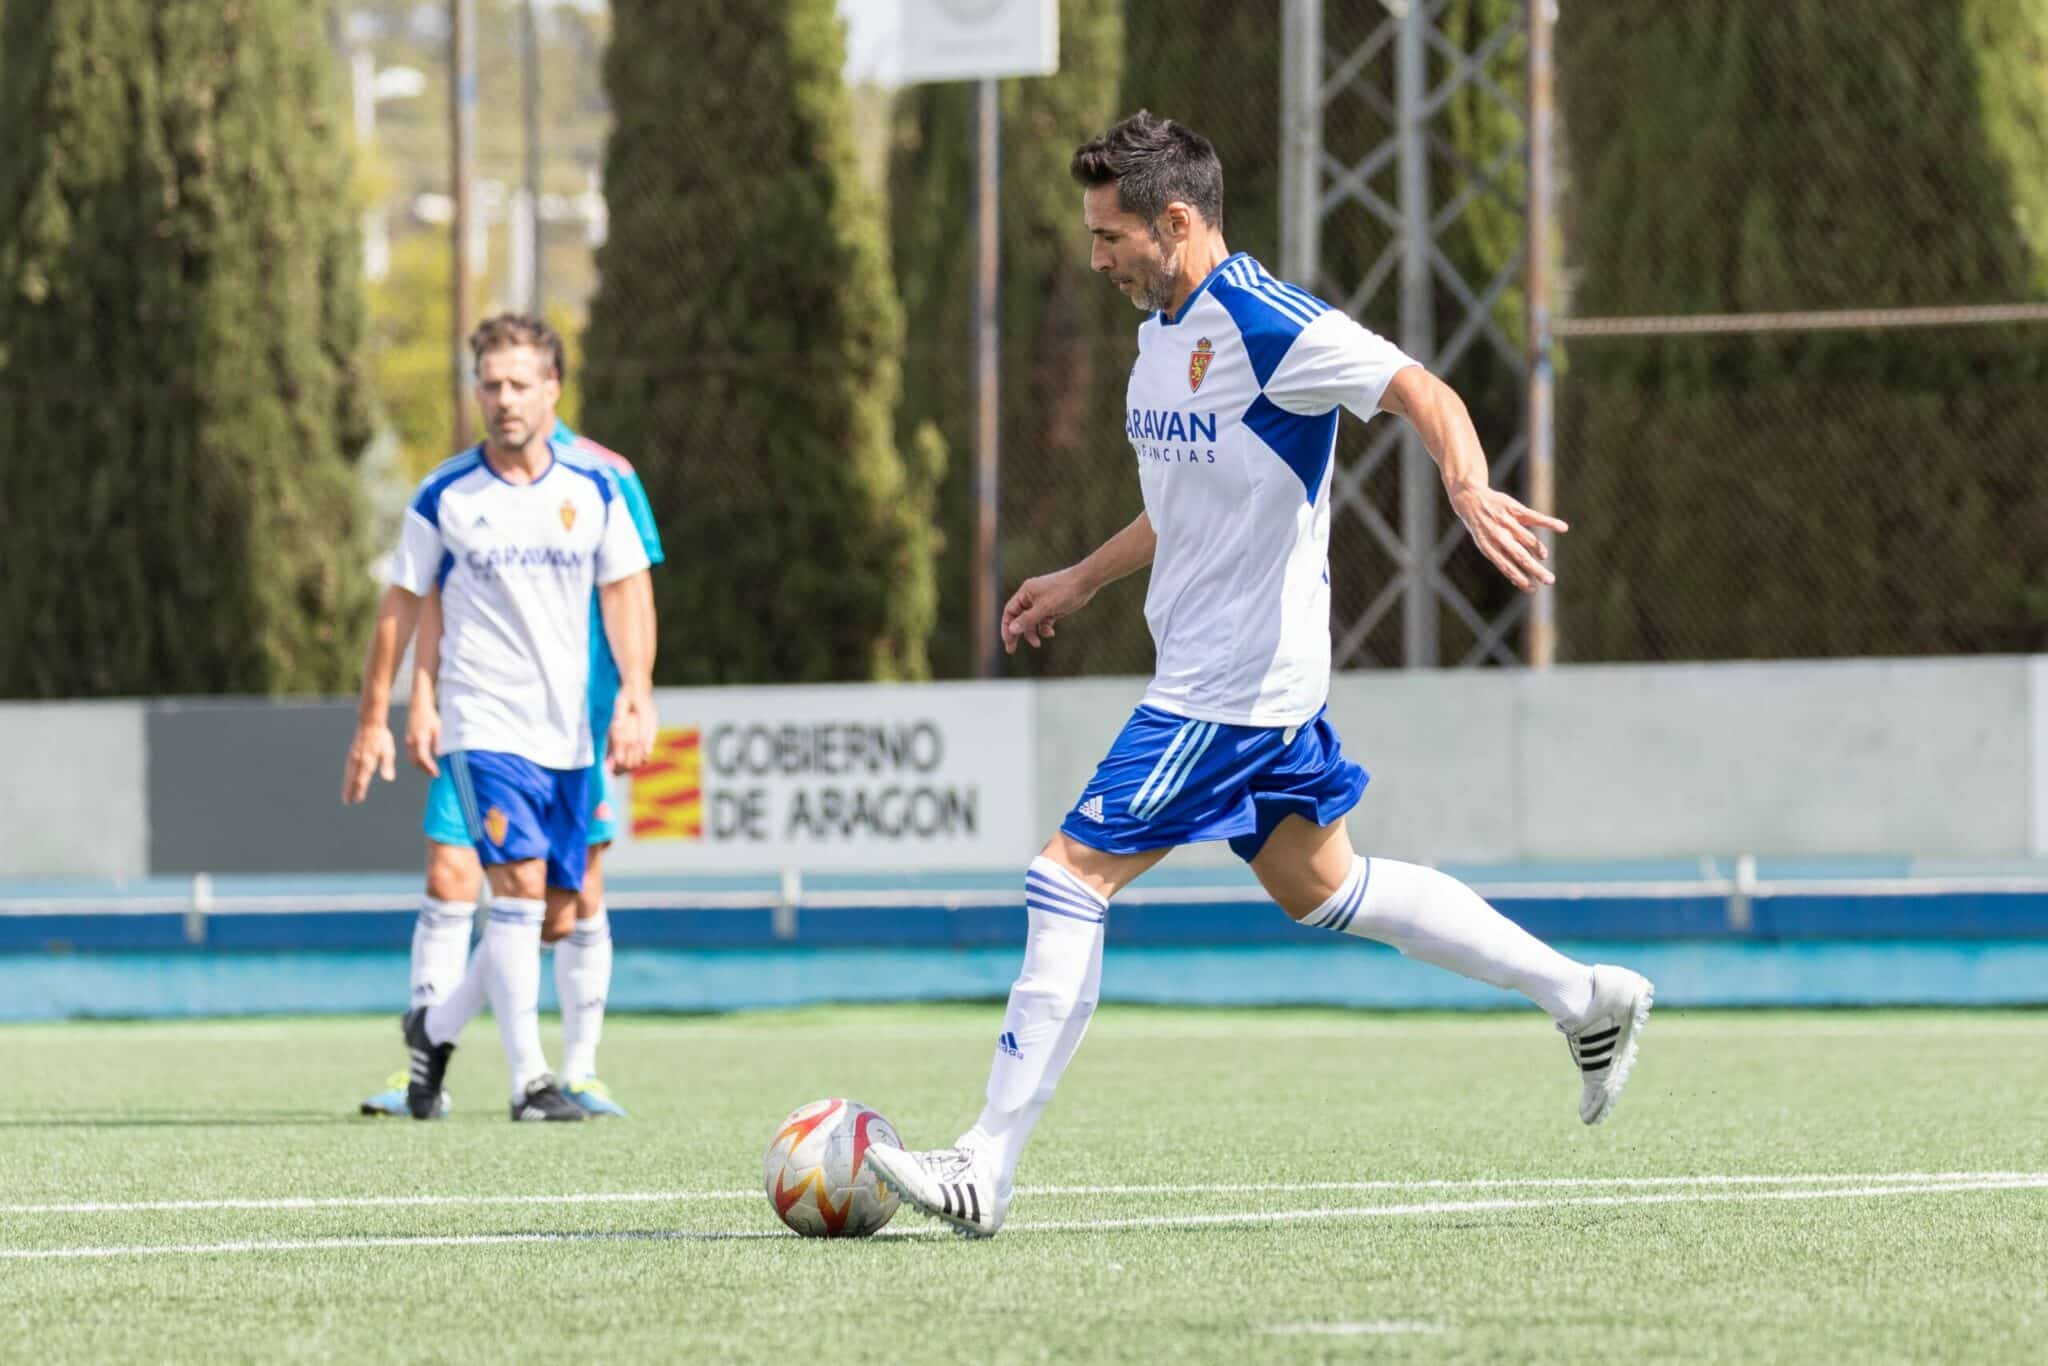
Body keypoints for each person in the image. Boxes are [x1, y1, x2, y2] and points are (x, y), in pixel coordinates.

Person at [865, 112, 1653, 1237]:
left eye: (1108, 237)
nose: (1095, 259)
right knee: (1321, 886)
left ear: (1176, 223)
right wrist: (1083, 578)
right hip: (1238, 680)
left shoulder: (1268, 321)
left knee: (1064, 876)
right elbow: (1186, 497)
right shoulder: (1159, 333)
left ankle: (983, 1164)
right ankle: (1585, 994)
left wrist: (1467, 485)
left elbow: (1423, 390)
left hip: (1223, 689)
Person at [342, 313, 655, 1122]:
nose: (504, 399)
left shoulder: (593, 490)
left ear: (553, 389)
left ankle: (433, 1030)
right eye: (491, 384)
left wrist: (636, 694)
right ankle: (531, 1083)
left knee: (556, 914)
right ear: (476, 390)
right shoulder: (446, 493)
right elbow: (403, 602)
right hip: (485, 724)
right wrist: (378, 715)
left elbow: (626, 593)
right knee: (509, 892)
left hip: (568, 735)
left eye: (520, 384)